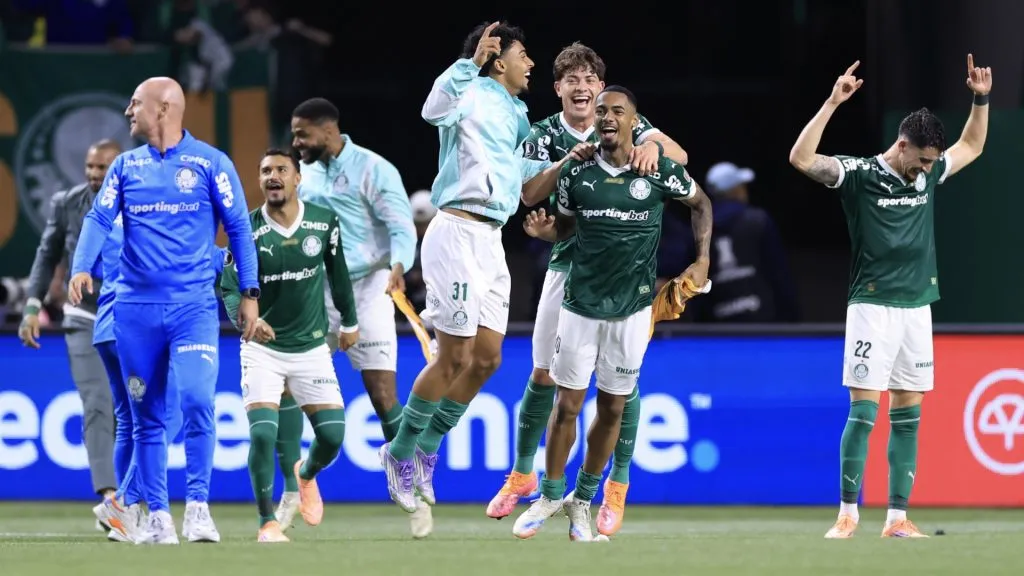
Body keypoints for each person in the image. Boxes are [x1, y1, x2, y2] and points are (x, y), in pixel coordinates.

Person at [378, 21, 584, 514]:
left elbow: (525, 180)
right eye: (523, 54)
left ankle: (428, 444)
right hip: (455, 229)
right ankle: (399, 451)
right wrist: (470, 65)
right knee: (453, 356)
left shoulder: (516, 114)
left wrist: (566, 162)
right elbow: (431, 111)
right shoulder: (467, 90)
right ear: (498, 59)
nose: (530, 63)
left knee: (488, 357)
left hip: (492, 239)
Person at [488, 41, 689, 536]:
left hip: (625, 277)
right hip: (567, 268)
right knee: (543, 375)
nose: (581, 88)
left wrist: (650, 147)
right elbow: (525, 195)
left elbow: (681, 157)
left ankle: (615, 486)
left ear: (602, 87)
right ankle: (522, 473)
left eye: (588, 80)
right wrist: (565, 163)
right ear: (557, 89)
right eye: (570, 80)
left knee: (621, 385)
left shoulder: (632, 124)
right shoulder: (543, 134)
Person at [788, 56, 991, 539]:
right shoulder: (858, 174)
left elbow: (973, 145)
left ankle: (897, 518)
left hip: (917, 308)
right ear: (901, 145)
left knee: (908, 415)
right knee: (863, 412)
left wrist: (980, 100)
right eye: (921, 159)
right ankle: (847, 514)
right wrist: (832, 103)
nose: (926, 169)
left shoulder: (928, 173)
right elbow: (800, 158)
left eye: (931, 162)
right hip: (871, 308)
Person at [68, 76, 260, 545]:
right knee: (147, 417)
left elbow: (237, 227)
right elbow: (97, 218)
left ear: (164, 108)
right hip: (134, 312)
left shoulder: (211, 164)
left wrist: (250, 294)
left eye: (136, 104)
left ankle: (198, 507)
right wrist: (81, 266)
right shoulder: (124, 167)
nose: (128, 112)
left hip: (192, 307)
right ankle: (157, 516)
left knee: (197, 400)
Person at [287, 97, 426, 535]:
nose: (296, 143)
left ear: (328, 130)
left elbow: (403, 227)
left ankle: (413, 486)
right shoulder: (303, 172)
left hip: (368, 288)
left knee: (383, 394)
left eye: (302, 134)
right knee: (290, 389)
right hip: (315, 289)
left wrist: (400, 266)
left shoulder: (374, 169)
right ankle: (297, 487)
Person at [220, 148, 357, 543]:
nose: (273, 176)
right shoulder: (245, 231)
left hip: (312, 348)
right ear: (260, 180)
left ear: (298, 179)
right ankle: (267, 523)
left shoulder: (323, 222)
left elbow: (339, 275)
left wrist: (350, 322)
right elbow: (229, 287)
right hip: (262, 349)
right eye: (265, 171)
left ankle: (305, 473)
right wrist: (248, 319)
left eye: (281, 169)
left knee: (332, 437)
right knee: (263, 434)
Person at [19, 139, 121, 532]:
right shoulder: (66, 203)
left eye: (103, 168)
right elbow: (46, 255)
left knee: (130, 409)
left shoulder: (143, 201)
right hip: (82, 317)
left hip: (129, 318)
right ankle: (109, 498)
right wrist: (32, 305)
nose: (95, 175)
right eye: (90, 167)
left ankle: (130, 497)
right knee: (97, 401)